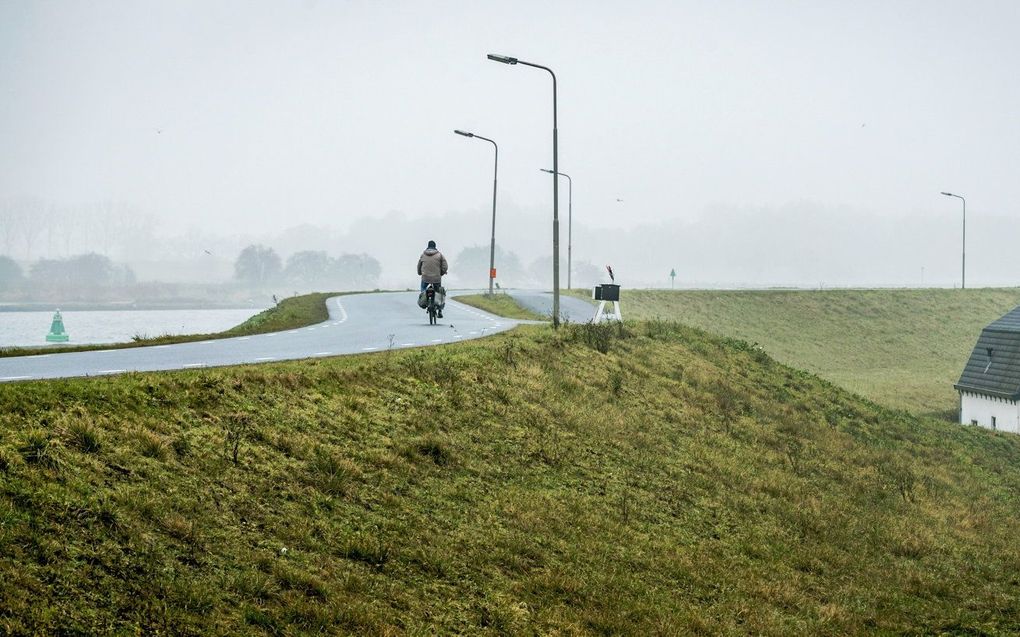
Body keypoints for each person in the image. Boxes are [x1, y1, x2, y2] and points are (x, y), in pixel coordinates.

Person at [417, 240, 448, 317]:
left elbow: (419, 266)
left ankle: (424, 300)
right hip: (436, 278)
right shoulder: (440, 255)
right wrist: (442, 273)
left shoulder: (423, 255)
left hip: (425, 278)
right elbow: (445, 266)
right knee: (439, 292)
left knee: (423, 288)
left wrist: (420, 273)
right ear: (435, 246)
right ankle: (440, 311)